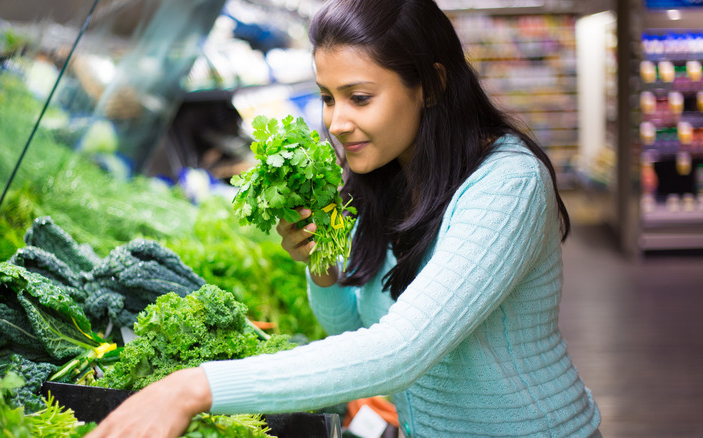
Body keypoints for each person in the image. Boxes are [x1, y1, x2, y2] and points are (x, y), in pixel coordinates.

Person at [87, 0, 601, 436]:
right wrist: (323, 267)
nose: (336, 121)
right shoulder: (384, 175)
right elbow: (355, 323)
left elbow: (401, 349)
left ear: (431, 85)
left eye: (359, 97)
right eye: (328, 98)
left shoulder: (509, 184)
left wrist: (195, 386)